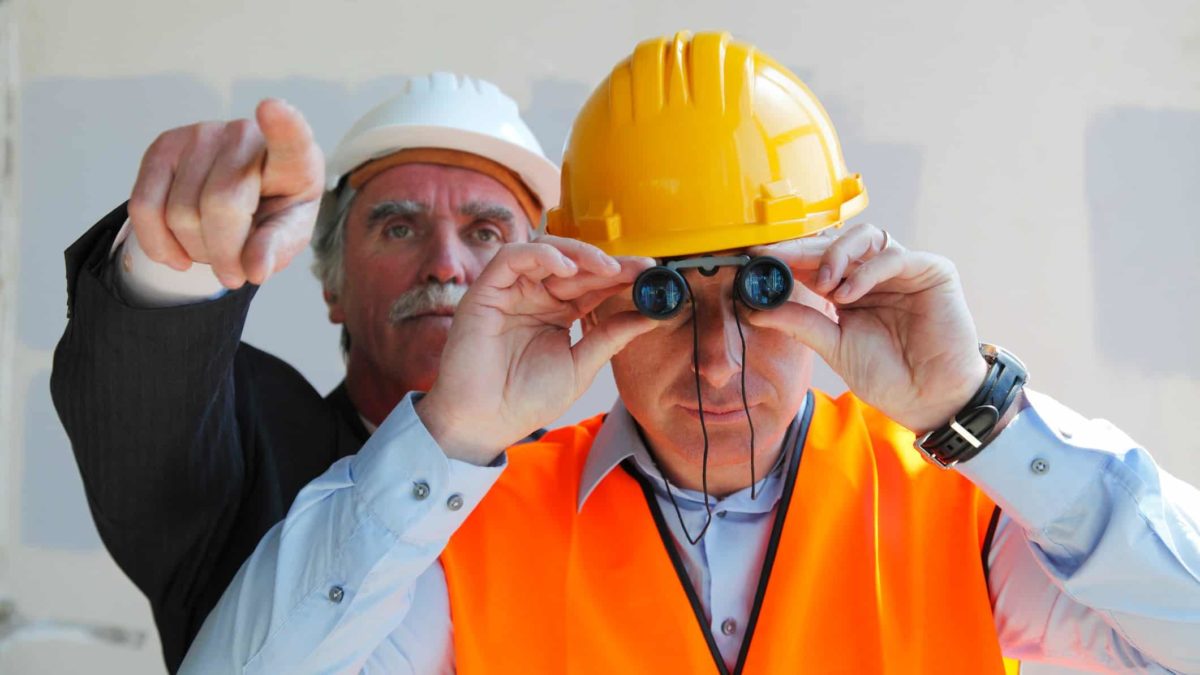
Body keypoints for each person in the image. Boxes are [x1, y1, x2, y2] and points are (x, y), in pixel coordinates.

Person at [180, 33, 1200, 674]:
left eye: (759, 290)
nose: (717, 358)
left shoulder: (964, 511)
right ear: (591, 295)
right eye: (664, 300)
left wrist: (978, 408)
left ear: (826, 278)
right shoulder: (471, 534)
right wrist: (448, 436)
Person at [49, 73, 559, 672]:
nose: (445, 266)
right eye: (399, 227)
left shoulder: (592, 487)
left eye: (486, 233)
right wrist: (182, 256)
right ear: (334, 285)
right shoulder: (251, 445)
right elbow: (146, 384)